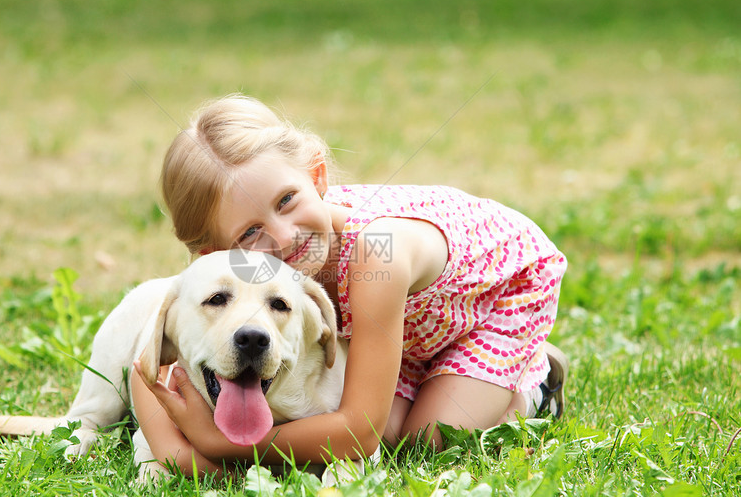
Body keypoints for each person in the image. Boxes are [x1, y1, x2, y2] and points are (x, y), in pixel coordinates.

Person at [130, 94, 569, 477]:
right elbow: (146, 366)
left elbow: (359, 432)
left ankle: (535, 380)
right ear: (216, 254)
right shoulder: (233, 283)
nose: (285, 237)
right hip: (401, 324)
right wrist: (171, 451)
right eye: (249, 234)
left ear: (317, 178)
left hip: (496, 295)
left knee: (424, 440)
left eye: (287, 200)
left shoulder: (377, 255)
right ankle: (434, 375)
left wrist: (218, 444)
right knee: (383, 426)